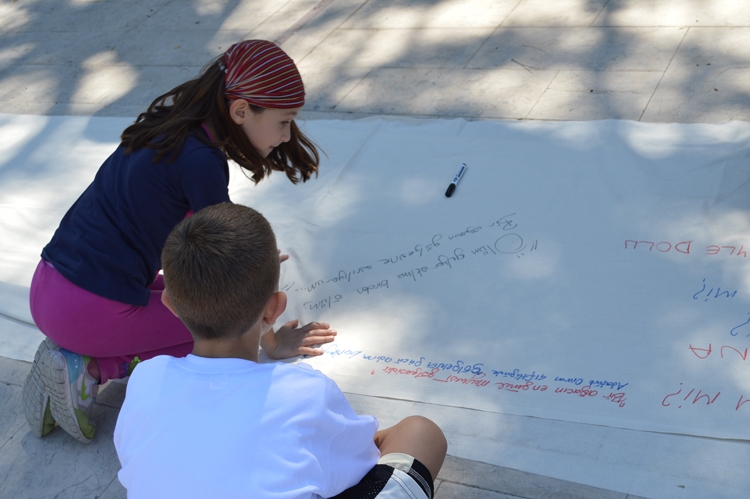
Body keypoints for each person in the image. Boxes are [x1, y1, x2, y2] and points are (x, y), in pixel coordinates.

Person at [21, 40, 334, 444]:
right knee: (222, 329)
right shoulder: (201, 162)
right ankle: (90, 367)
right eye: (284, 122)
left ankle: (78, 349)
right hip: (85, 312)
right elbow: (229, 277)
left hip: (50, 287)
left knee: (195, 299)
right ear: (241, 110)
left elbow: (193, 243)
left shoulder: (172, 127)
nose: (288, 135)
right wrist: (268, 341)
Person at [114, 203, 448, 499]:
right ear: (274, 309)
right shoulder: (304, 392)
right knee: (420, 433)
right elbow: (361, 465)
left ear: (170, 304)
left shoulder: (146, 379)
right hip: (335, 448)